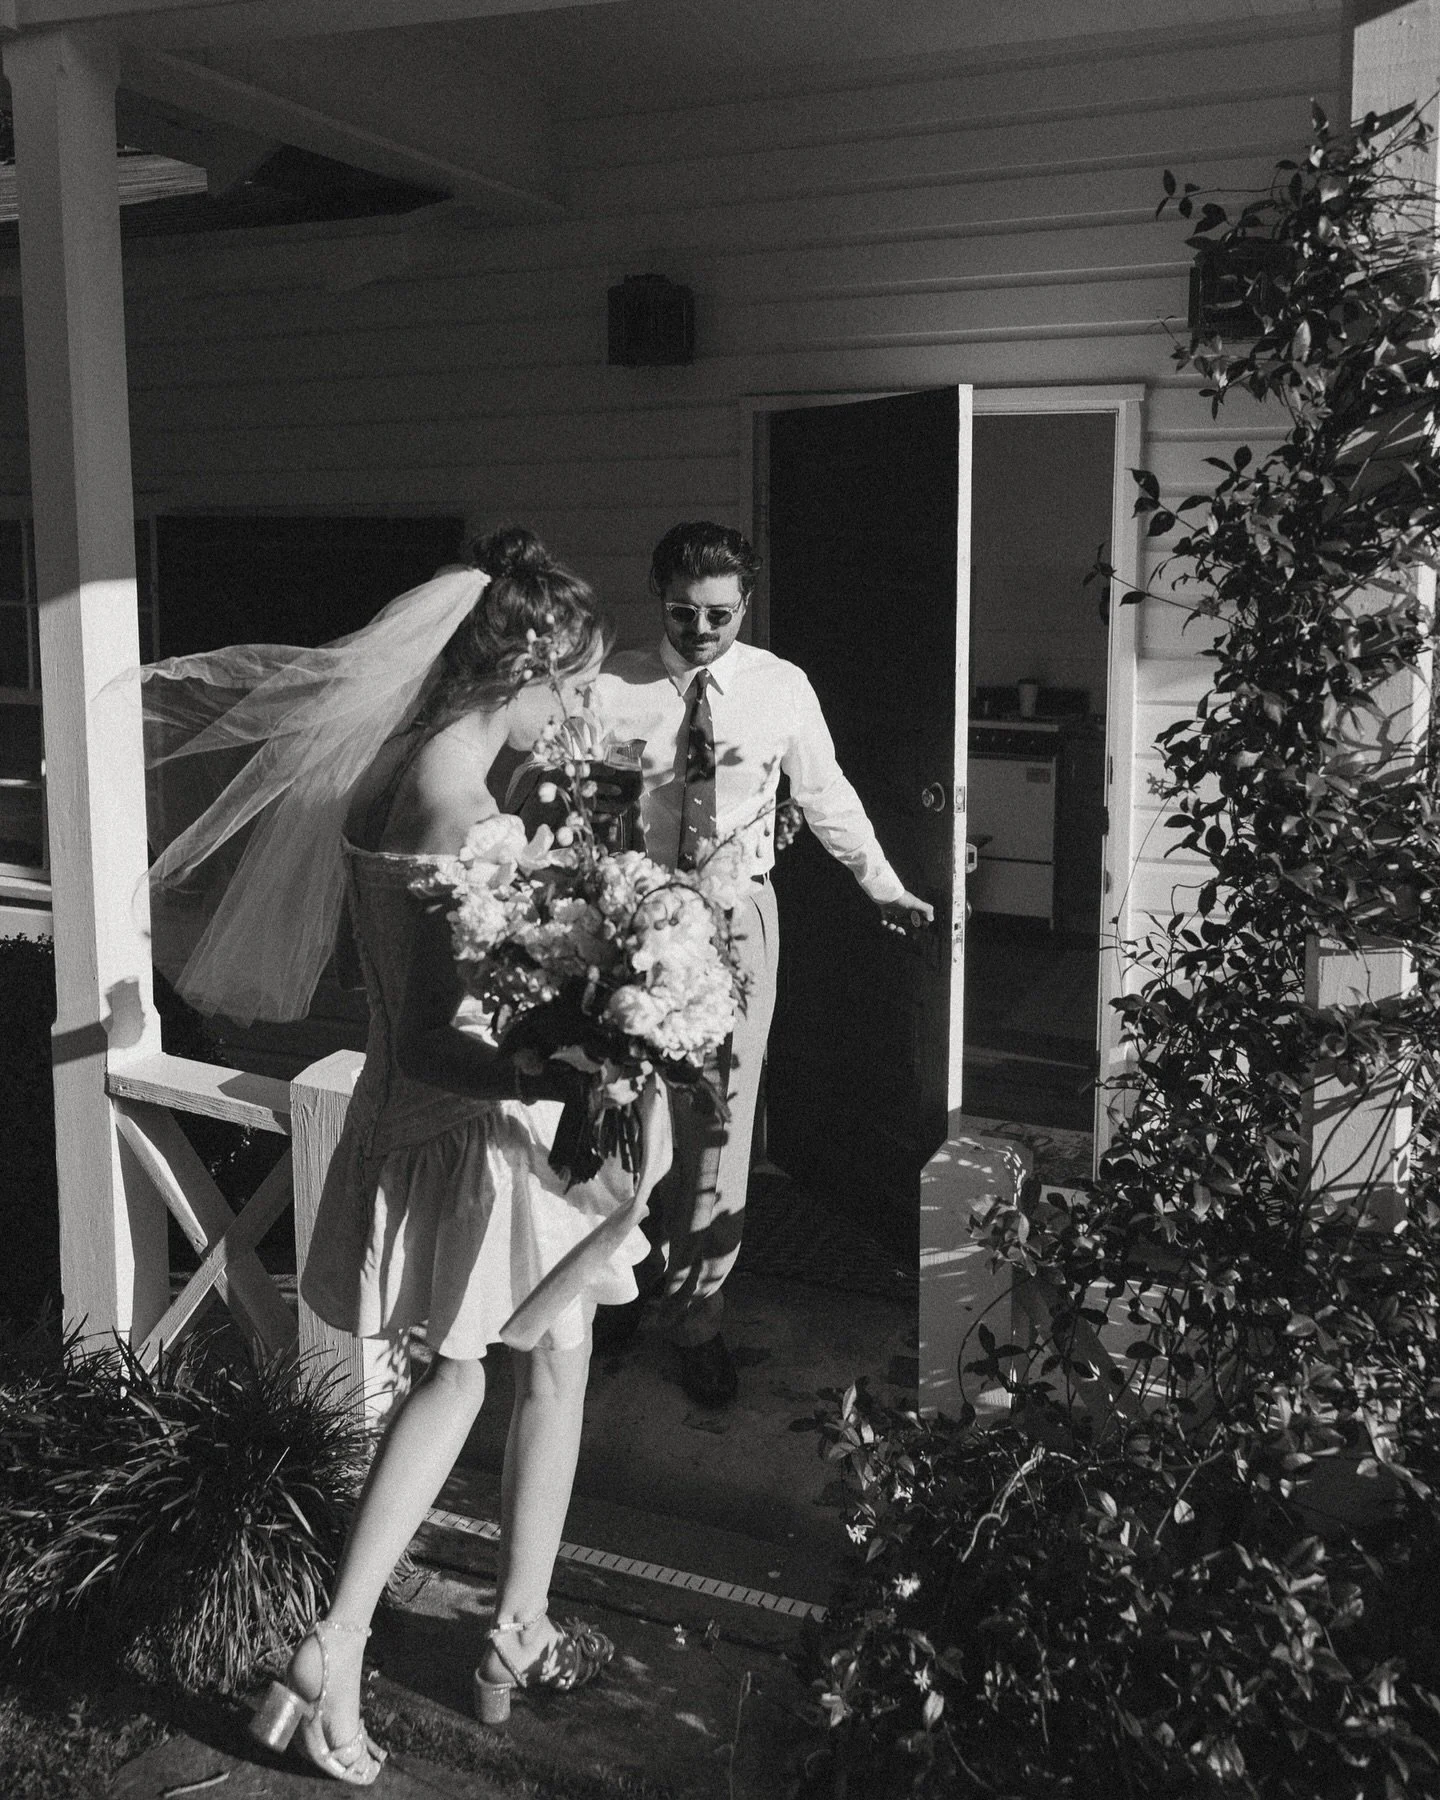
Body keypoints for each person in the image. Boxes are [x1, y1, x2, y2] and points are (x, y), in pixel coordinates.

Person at [140, 529, 669, 1785]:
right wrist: (568, 1064)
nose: (577, 709)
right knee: (463, 1374)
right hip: (465, 1132)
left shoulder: (415, 769)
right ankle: (337, 1638)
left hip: (446, 1118)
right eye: (571, 683)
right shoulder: (446, 798)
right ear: (519, 672)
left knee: (559, 1348)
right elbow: (441, 1041)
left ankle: (515, 1628)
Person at [591, 520, 932, 1408]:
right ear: (657, 596)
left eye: (719, 613)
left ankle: (698, 1317)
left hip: (739, 924)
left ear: (746, 603)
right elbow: (577, 811)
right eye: (682, 612)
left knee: (721, 1125)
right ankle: (619, 1287)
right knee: (625, 1121)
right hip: (631, 924)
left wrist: (884, 888)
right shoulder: (611, 687)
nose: (700, 630)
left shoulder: (781, 688)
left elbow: (825, 796)